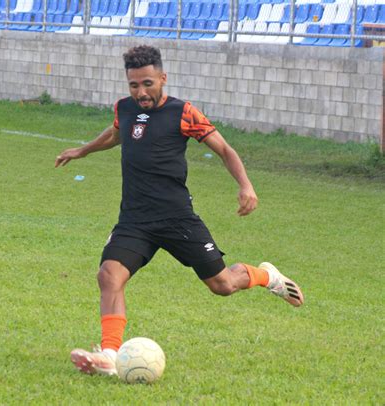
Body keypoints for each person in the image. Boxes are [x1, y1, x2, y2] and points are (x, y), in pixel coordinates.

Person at [55, 45, 304, 376]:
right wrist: (83, 151)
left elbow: (224, 149)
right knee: (109, 275)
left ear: (162, 78)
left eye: (147, 83)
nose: (141, 92)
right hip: (135, 219)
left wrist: (246, 186)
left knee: (222, 285)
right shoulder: (124, 109)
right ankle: (110, 355)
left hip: (177, 219)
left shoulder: (184, 112)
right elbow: (116, 134)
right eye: (134, 85)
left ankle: (264, 275)